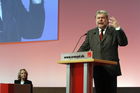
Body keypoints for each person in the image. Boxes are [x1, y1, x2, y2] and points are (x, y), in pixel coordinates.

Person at [78, 10, 128, 93]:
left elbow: (123, 43)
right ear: (95, 20)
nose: (100, 20)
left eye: (103, 18)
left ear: (107, 20)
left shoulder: (114, 31)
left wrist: (118, 28)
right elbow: (83, 48)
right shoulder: (91, 33)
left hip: (110, 69)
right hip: (97, 69)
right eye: (98, 18)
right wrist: (74, 57)